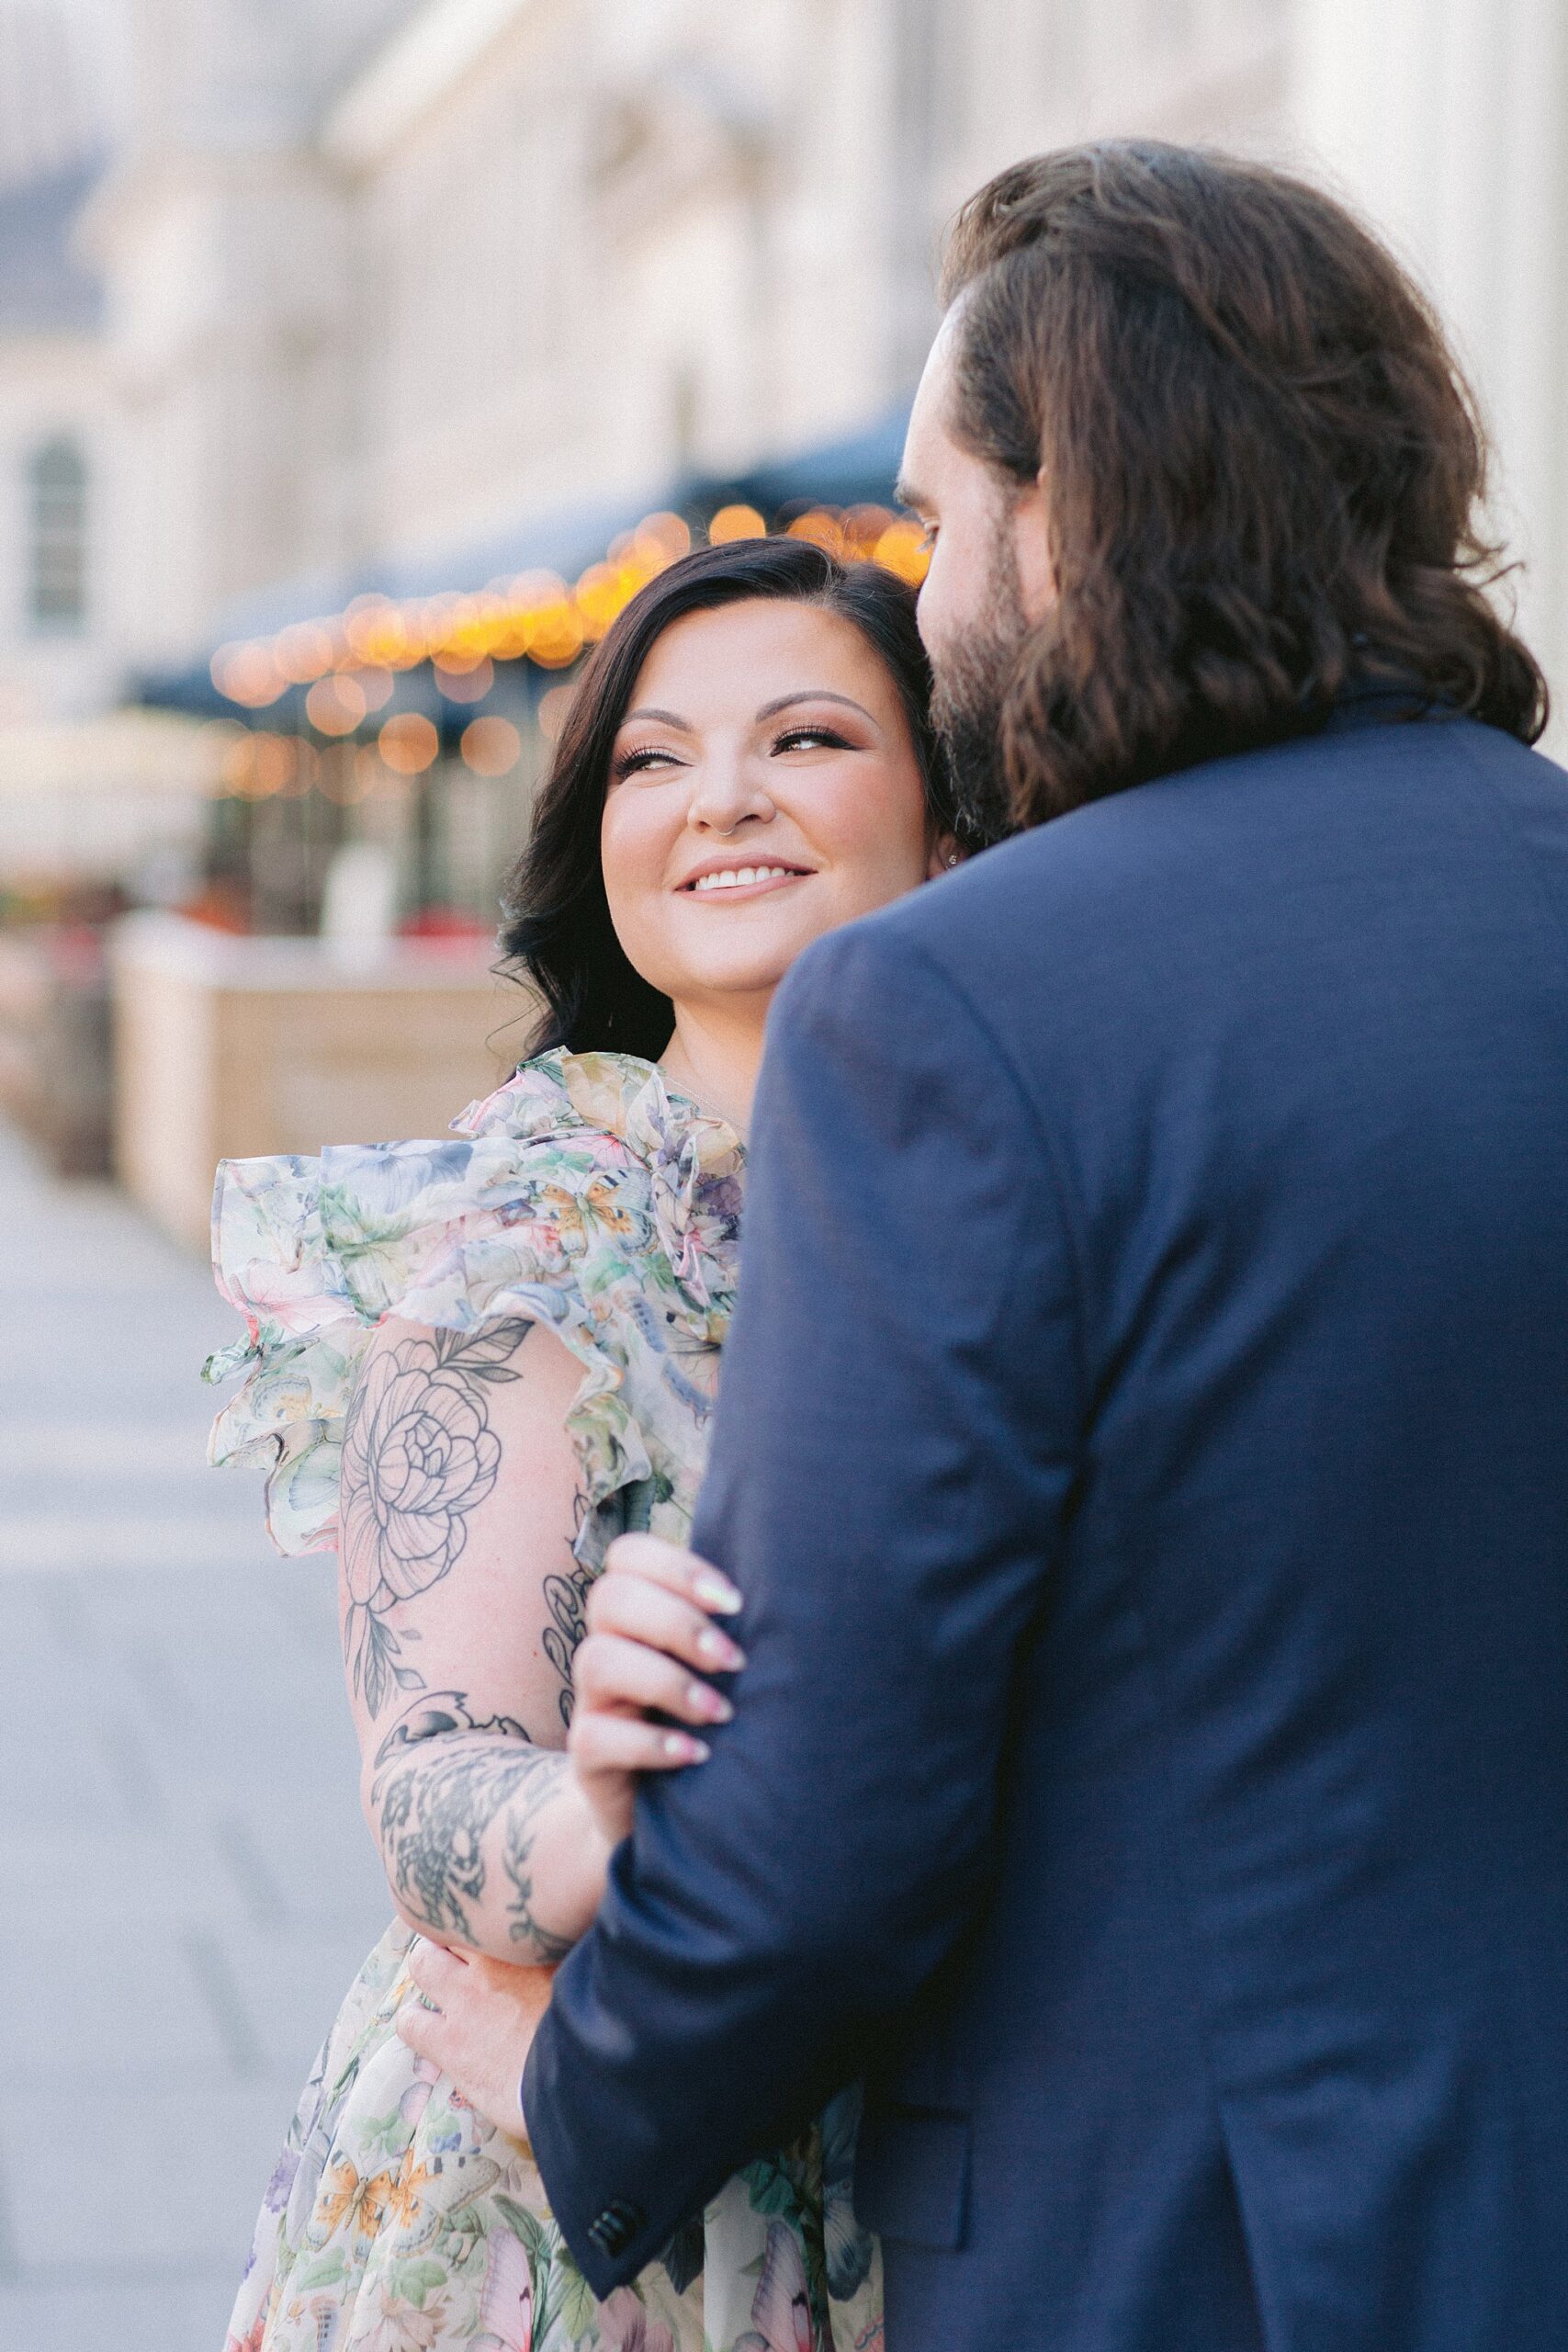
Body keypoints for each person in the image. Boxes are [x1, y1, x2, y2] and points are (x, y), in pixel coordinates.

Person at [403, 142, 1568, 2352]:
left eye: (945, 517)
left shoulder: (958, 1004)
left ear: (1080, 510)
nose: (929, 598)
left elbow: (829, 1809)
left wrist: (591, 2086)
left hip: (1186, 2245)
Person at [206, 535, 987, 2352]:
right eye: (650, 757)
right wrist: (592, 1821)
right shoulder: (529, 1235)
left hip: (957, 2173)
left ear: (947, 817)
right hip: (568, 2200)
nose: (720, 797)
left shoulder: (1010, 1209)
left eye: (802, 738)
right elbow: (427, 1775)